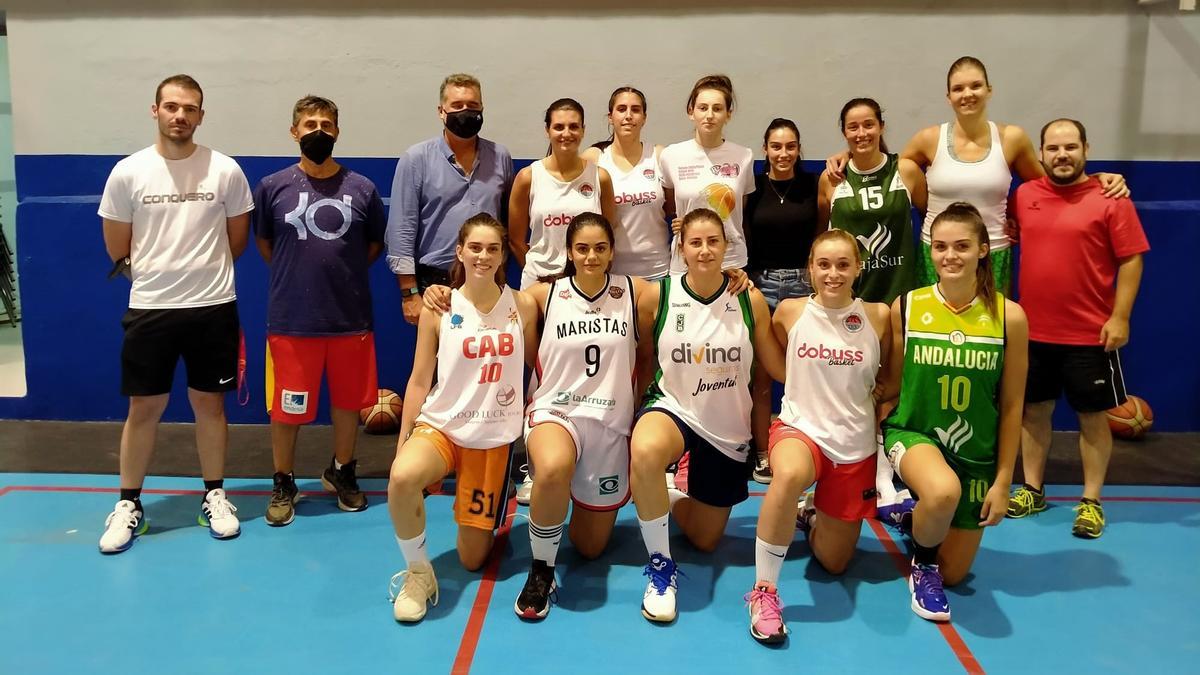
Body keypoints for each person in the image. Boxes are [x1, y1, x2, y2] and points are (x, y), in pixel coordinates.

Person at [97, 74, 254, 554]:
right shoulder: (128, 173)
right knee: (143, 408)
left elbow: (237, 241)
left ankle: (214, 496)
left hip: (213, 307)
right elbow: (118, 249)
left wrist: (201, 274)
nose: (180, 115)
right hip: (150, 309)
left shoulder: (225, 170)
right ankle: (129, 503)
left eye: (189, 108)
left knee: (210, 405)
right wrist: (158, 277)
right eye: (171, 106)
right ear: (156, 110)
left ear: (201, 115)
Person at [826, 57, 1127, 292]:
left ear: (989, 90)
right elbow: (884, 168)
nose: (967, 94)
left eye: (975, 86)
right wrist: (848, 156)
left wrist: (1094, 179)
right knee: (936, 341)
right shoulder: (928, 139)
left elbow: (1049, 186)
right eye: (958, 88)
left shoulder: (1012, 139)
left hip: (993, 254)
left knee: (989, 342)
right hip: (936, 254)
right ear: (948, 97)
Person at [629, 208, 786, 624]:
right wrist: (631, 413)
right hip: (674, 407)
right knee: (645, 450)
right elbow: (644, 360)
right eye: (695, 242)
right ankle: (660, 567)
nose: (704, 250)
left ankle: (670, 497)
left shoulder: (749, 298)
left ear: (726, 246)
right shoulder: (658, 296)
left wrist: (838, 375)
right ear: (681, 248)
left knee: (704, 539)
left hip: (726, 428)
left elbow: (775, 367)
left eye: (713, 241)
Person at [879, 202, 1028, 622]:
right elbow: (890, 386)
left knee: (957, 573)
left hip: (975, 453)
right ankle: (922, 568)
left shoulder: (1009, 317)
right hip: (914, 434)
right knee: (943, 492)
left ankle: (914, 516)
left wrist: (1004, 480)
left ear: (983, 249)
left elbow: (1012, 405)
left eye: (962, 246)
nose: (950, 256)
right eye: (940, 246)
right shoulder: (908, 307)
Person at [386, 214, 539, 623]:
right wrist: (403, 442)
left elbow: (540, 365)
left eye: (492, 249)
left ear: (503, 255)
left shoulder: (523, 305)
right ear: (459, 251)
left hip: (491, 438)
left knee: (472, 559)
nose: (483, 256)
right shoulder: (439, 307)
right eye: (475, 247)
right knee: (402, 477)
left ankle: (490, 513)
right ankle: (419, 574)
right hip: (442, 426)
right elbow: (420, 379)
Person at [745, 229, 891, 645]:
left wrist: (879, 396)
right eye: (823, 265)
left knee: (834, 562)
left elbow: (891, 377)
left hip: (854, 446)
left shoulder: (879, 316)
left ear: (858, 268)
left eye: (843, 265)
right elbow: (779, 363)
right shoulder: (790, 312)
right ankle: (764, 592)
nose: (833, 274)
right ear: (810, 269)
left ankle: (810, 516)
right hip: (800, 429)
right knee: (789, 475)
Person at [1006, 119, 1149, 539]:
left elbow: (1131, 260)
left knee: (1092, 418)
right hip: (1033, 332)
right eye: (1053, 148)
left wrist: (1120, 316)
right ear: (1041, 154)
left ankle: (1091, 500)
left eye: (1070, 146)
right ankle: (1033, 490)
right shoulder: (1025, 196)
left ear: (1086, 148)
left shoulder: (1111, 197)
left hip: (1090, 334)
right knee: (1034, 413)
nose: (1062, 155)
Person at [252, 95, 387, 526]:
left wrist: (341, 273)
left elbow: (373, 245)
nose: (318, 132)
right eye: (310, 125)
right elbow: (266, 244)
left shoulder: (362, 188)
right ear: (294, 132)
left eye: (326, 125)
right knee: (286, 408)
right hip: (292, 319)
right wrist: (298, 273)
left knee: (347, 404)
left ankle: (341, 471)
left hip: (350, 318)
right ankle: (284, 481)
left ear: (338, 132)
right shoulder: (272, 186)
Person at [818, 97, 927, 528]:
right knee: (853, 390)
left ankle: (887, 474)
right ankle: (852, 471)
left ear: (881, 126)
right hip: (851, 303)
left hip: (897, 298)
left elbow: (931, 222)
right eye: (853, 127)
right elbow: (824, 237)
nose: (861, 133)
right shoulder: (831, 179)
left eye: (868, 125)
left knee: (890, 390)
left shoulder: (907, 172)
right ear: (843, 132)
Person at [387, 73, 513, 325]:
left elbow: (507, 221)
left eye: (473, 105)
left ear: (482, 109)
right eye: (457, 105)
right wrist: (409, 293)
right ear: (441, 111)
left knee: (489, 348)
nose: (465, 111)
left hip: (489, 277)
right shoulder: (416, 159)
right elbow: (401, 229)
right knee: (437, 350)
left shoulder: (500, 157)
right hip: (434, 285)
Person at [744, 118, 820, 483]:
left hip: (805, 286)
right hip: (762, 286)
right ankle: (762, 454)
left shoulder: (813, 185)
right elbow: (740, 232)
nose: (783, 153)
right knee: (761, 375)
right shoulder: (753, 188)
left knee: (806, 374)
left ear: (799, 149)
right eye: (776, 146)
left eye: (791, 146)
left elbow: (822, 232)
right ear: (765, 149)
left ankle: (810, 450)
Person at [508, 98, 617, 289]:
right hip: (540, 281)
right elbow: (515, 240)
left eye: (573, 127)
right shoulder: (528, 177)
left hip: (586, 281)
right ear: (547, 130)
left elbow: (609, 233)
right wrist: (536, 272)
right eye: (559, 127)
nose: (566, 133)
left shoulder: (600, 177)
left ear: (583, 130)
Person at [659, 74, 755, 273]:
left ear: (728, 114)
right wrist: (688, 221)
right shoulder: (671, 155)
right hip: (686, 260)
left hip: (731, 261)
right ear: (691, 112)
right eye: (703, 108)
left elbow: (740, 209)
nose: (709, 115)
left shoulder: (744, 156)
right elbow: (670, 206)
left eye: (717, 109)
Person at [584, 86, 671, 280]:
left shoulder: (658, 155)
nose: (629, 116)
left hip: (658, 270)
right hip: (610, 272)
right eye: (622, 109)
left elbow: (672, 208)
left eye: (636, 110)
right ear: (610, 117)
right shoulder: (594, 158)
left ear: (644, 118)